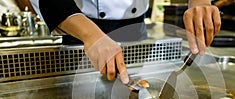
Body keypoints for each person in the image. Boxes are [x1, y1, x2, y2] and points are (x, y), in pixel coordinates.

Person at [30, 0, 221, 84]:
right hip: (79, 25)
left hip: (135, 27)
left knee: (132, 94)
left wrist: (199, 1)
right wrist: (90, 35)